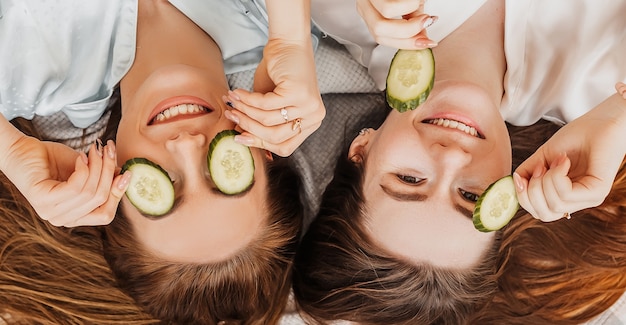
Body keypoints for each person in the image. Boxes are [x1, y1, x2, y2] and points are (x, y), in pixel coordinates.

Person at [292, 0, 626, 323]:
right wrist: (615, 118)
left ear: (361, 149)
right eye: (471, 197)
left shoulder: (343, 9)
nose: (452, 157)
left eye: (408, 179)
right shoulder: (598, 92)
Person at [0, 0, 324, 323]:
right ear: (266, 152)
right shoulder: (279, 28)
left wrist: (12, 153)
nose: (186, 145)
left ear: (114, 185)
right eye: (224, 170)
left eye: (165, 182)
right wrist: (290, 39)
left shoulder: (30, 73)